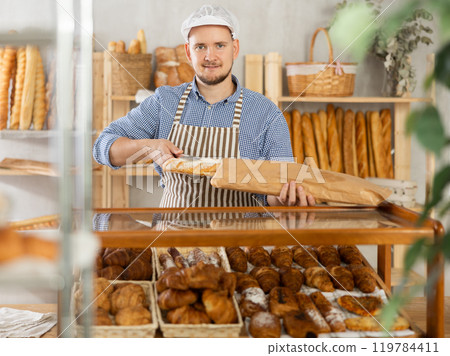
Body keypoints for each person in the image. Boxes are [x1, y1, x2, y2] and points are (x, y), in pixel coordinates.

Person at [93, 4, 315, 208]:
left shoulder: (265, 113)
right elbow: (103, 147)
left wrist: (286, 197)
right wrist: (149, 147)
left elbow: (279, 187)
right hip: (172, 243)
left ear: (234, 49)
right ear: (188, 52)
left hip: (238, 244)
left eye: (220, 45)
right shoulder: (164, 102)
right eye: (200, 46)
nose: (210, 56)